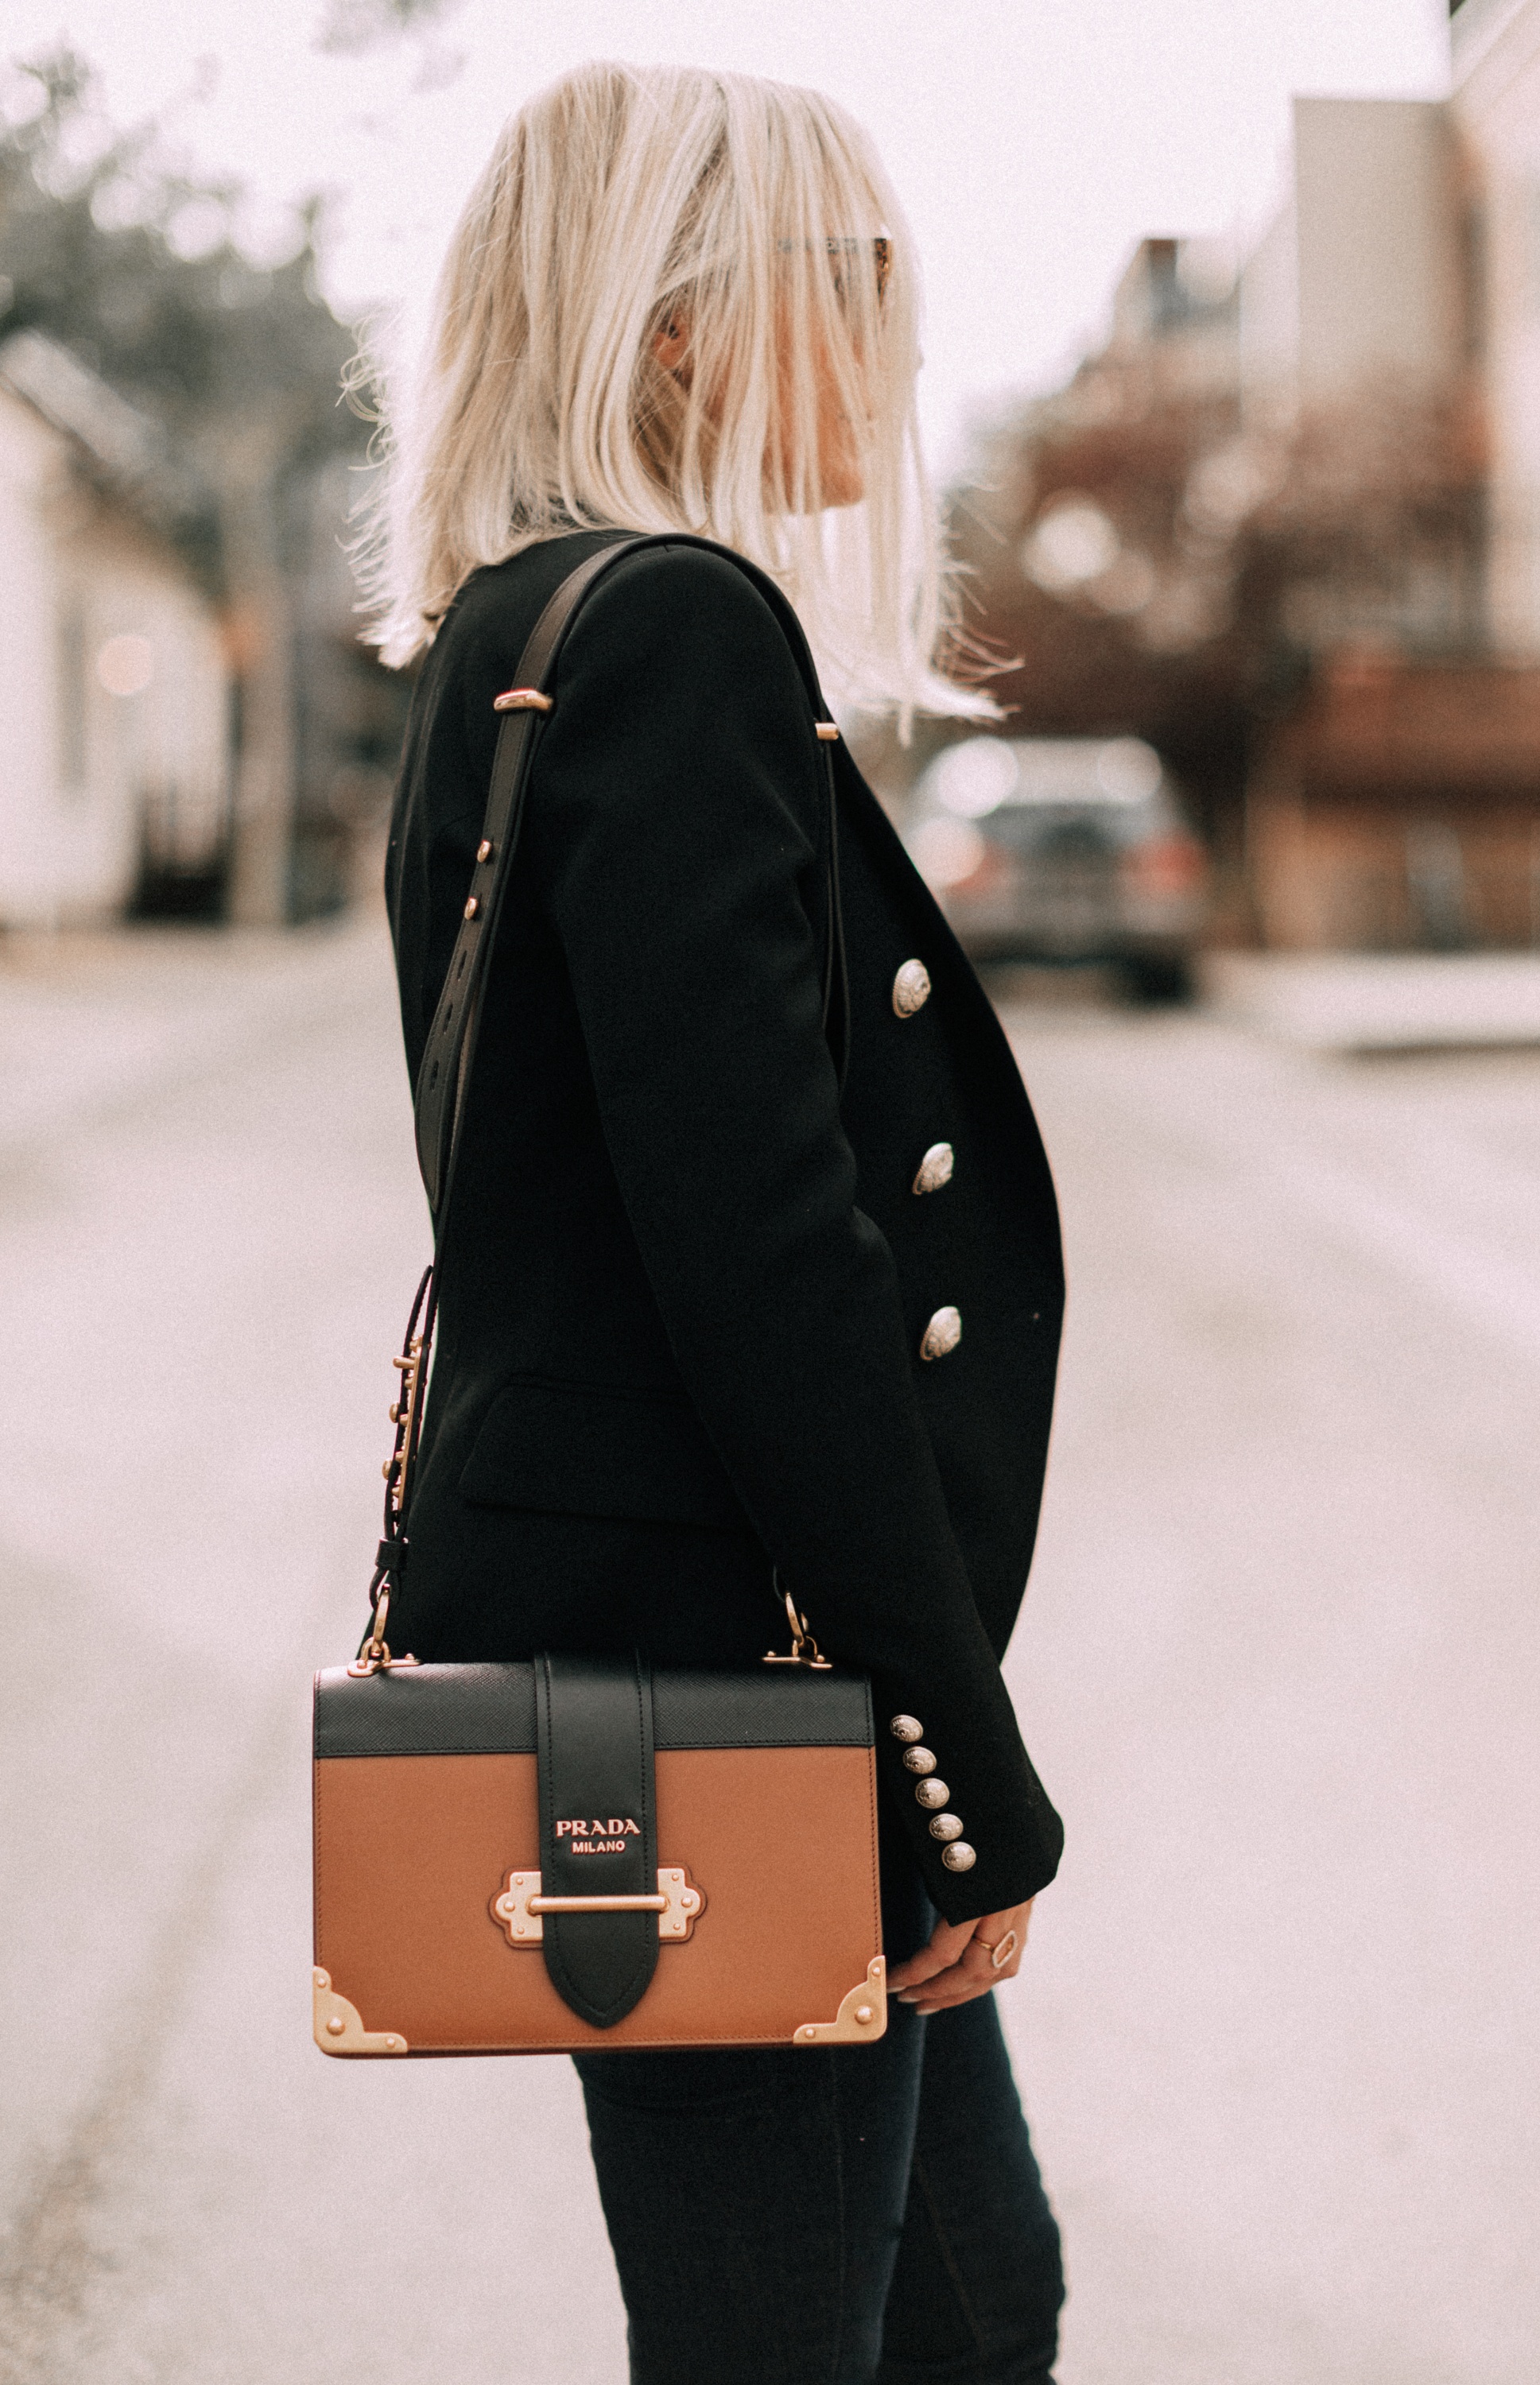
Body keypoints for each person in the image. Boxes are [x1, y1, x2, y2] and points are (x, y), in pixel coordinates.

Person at [367, 59, 1067, 2385]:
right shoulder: (669, 630)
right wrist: (959, 1776)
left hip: (723, 1670)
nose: (902, 328)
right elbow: (767, 1260)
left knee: (973, 2312)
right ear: (675, 328)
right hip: (745, 1706)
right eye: (853, 276)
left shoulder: (525, 627)